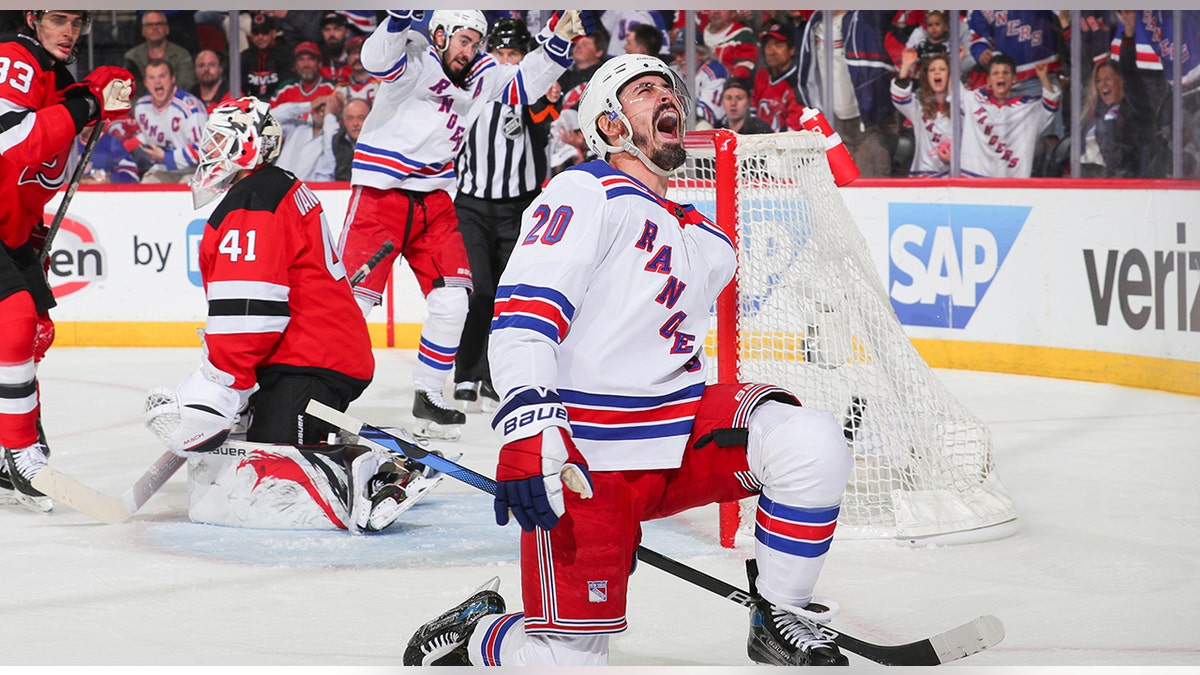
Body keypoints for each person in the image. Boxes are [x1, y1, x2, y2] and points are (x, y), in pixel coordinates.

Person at [403, 52, 854, 668]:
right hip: (586, 460)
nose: (667, 98)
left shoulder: (704, 236)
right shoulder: (585, 190)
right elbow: (523, 313)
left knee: (809, 441)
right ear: (612, 126)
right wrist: (530, 424)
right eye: (645, 92)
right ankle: (481, 632)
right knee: (574, 662)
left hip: (679, 434)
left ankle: (782, 614)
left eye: (669, 90)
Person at [142, 97, 420, 534]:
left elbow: (251, 314)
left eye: (221, 140)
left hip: (309, 361)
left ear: (250, 146)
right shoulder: (270, 187)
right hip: (309, 355)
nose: (209, 150)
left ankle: (372, 469)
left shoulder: (255, 200)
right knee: (255, 453)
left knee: (275, 480)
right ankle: (351, 442)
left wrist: (223, 383)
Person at [336, 9, 595, 441]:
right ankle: (312, 383)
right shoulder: (414, 56)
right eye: (463, 41)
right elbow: (376, 60)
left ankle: (428, 394)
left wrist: (556, 39)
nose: (469, 50)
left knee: (455, 300)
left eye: (476, 42)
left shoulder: (481, 72)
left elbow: (524, 84)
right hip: (381, 196)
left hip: (435, 199)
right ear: (439, 34)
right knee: (350, 304)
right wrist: (397, 21)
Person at [0, 10, 133, 512]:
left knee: (34, 333)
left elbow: (30, 180)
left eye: (77, 22)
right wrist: (89, 102)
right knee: (12, 321)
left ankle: (5, 448)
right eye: (57, 19)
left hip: (10, 233)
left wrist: (98, 101)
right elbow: (12, 138)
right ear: (33, 18)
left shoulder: (60, 79)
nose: (69, 32)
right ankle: (19, 451)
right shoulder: (13, 59)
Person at [451, 18, 554, 412]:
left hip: (519, 208)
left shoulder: (533, 92)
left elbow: (546, 116)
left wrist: (543, 91)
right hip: (471, 206)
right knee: (478, 292)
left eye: (515, 54)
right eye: (501, 53)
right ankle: (466, 374)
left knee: (510, 297)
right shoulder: (469, 88)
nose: (507, 61)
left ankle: (497, 378)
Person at [798, 11, 900, 178]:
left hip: (868, 119)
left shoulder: (867, 16)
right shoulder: (814, 24)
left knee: (870, 187)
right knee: (840, 190)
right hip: (831, 121)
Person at [1079, 11, 1160, 178]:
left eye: (1109, 79)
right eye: (1099, 81)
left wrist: (1129, 34)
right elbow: (1081, 69)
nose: (1103, 84)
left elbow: (1129, 71)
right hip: (1086, 179)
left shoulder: (1134, 107)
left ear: (1121, 82)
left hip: (1120, 179)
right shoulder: (1093, 115)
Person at [958, 54, 1061, 178]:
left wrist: (1043, 78)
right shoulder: (974, 100)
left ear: (1014, 79)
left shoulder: (1027, 108)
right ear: (988, 80)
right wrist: (956, 62)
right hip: (974, 181)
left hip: (1011, 186)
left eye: (1005, 72)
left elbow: (1051, 103)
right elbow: (954, 91)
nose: (1001, 76)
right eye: (995, 73)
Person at [270, 42, 340, 183]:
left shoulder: (333, 88)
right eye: (301, 60)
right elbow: (271, 116)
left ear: (319, 63)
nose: (306, 64)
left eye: (311, 59)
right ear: (295, 65)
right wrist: (308, 105)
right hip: (276, 184)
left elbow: (332, 147)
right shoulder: (297, 127)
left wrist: (330, 116)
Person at [132, 59, 208, 183]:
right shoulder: (141, 106)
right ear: (145, 82)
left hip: (193, 171)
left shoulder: (191, 109)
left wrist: (167, 157)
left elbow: (203, 149)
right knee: (146, 187)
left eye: (162, 76)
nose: (157, 81)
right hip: (162, 169)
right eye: (151, 77)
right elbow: (146, 137)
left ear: (173, 78)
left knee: (185, 192)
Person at [891, 49, 953, 177]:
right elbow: (899, 97)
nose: (937, 72)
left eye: (942, 69)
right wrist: (906, 66)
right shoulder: (918, 106)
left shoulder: (964, 105)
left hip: (954, 175)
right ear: (927, 77)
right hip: (924, 176)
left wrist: (956, 159)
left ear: (950, 75)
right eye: (932, 70)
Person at [752, 22, 806, 132]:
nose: (772, 52)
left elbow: (792, 133)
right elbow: (752, 111)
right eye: (768, 46)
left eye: (778, 45)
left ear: (791, 50)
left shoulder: (798, 85)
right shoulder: (762, 75)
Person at [123, 10, 195, 91]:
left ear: (167, 29)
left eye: (159, 24)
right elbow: (128, 86)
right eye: (150, 25)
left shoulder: (182, 55)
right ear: (143, 31)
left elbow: (186, 84)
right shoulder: (131, 57)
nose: (155, 28)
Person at [241, 12, 293, 101]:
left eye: (264, 32)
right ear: (251, 36)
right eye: (256, 33)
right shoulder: (244, 57)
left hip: (278, 104)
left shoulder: (285, 56)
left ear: (273, 34)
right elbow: (240, 88)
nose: (260, 37)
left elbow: (286, 87)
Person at [68, 122, 141, 184]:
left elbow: (132, 173)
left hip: (104, 196)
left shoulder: (111, 142)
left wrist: (109, 180)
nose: (79, 123)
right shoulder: (69, 144)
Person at [333, 97, 370, 181]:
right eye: (350, 118)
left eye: (361, 118)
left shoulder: (381, 143)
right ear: (344, 121)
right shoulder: (336, 141)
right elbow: (326, 175)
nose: (355, 123)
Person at [190, 49, 233, 115]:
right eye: (201, 65)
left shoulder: (233, 92)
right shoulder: (190, 96)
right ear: (195, 70)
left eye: (212, 65)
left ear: (220, 68)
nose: (206, 69)